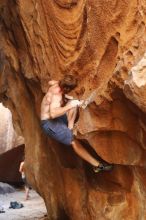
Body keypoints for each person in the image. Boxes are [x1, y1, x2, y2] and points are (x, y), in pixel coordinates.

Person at [41, 74, 112, 173]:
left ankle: (70, 128)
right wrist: (68, 106)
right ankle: (98, 166)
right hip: (49, 124)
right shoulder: (56, 94)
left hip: (58, 119)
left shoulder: (58, 84)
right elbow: (53, 114)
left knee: (74, 102)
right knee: (73, 141)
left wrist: (69, 100)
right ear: (66, 87)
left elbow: (50, 82)